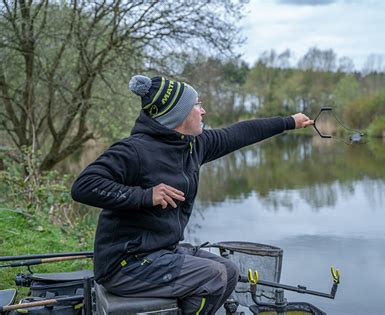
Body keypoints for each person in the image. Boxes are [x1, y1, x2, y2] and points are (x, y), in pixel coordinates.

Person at [71, 75, 313, 314]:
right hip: (125, 264)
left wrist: (289, 122)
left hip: (161, 251)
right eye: (197, 104)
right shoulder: (134, 151)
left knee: (228, 271)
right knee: (213, 276)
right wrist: (145, 195)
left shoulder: (193, 145)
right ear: (178, 114)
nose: (203, 111)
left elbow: (240, 133)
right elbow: (84, 186)